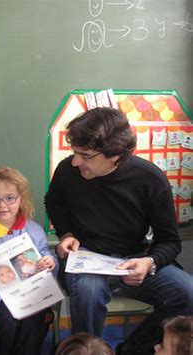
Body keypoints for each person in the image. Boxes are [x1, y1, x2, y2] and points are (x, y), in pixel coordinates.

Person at [44, 107, 193, 354]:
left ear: (115, 154)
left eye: (85, 155)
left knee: (189, 295)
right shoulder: (68, 171)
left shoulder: (150, 179)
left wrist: (150, 262)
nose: (75, 161)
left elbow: (170, 241)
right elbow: (54, 202)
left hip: (133, 260)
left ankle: (130, 350)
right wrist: (67, 234)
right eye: (75, 152)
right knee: (88, 291)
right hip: (87, 261)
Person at [0, 166, 58, 355]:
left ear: (21, 199)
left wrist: (49, 262)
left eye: (10, 198)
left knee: (34, 319)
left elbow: (46, 255)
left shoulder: (34, 230)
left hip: (32, 292)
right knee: (6, 321)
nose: (2, 205)